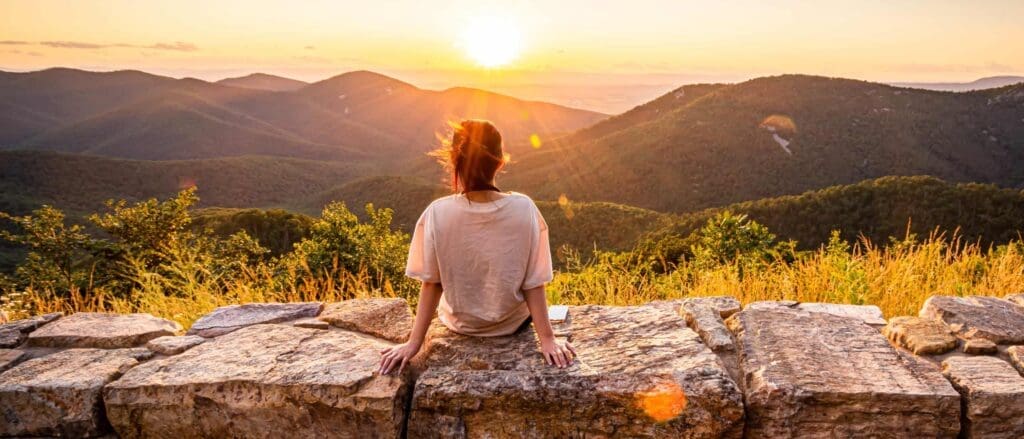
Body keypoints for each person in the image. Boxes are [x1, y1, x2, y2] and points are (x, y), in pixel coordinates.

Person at [378, 119, 576, 375]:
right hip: (512, 324)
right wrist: (547, 340)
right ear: (500, 161)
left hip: (460, 326)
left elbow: (432, 283)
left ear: (455, 161)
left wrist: (414, 343)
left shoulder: (437, 213)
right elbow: (533, 283)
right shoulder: (524, 208)